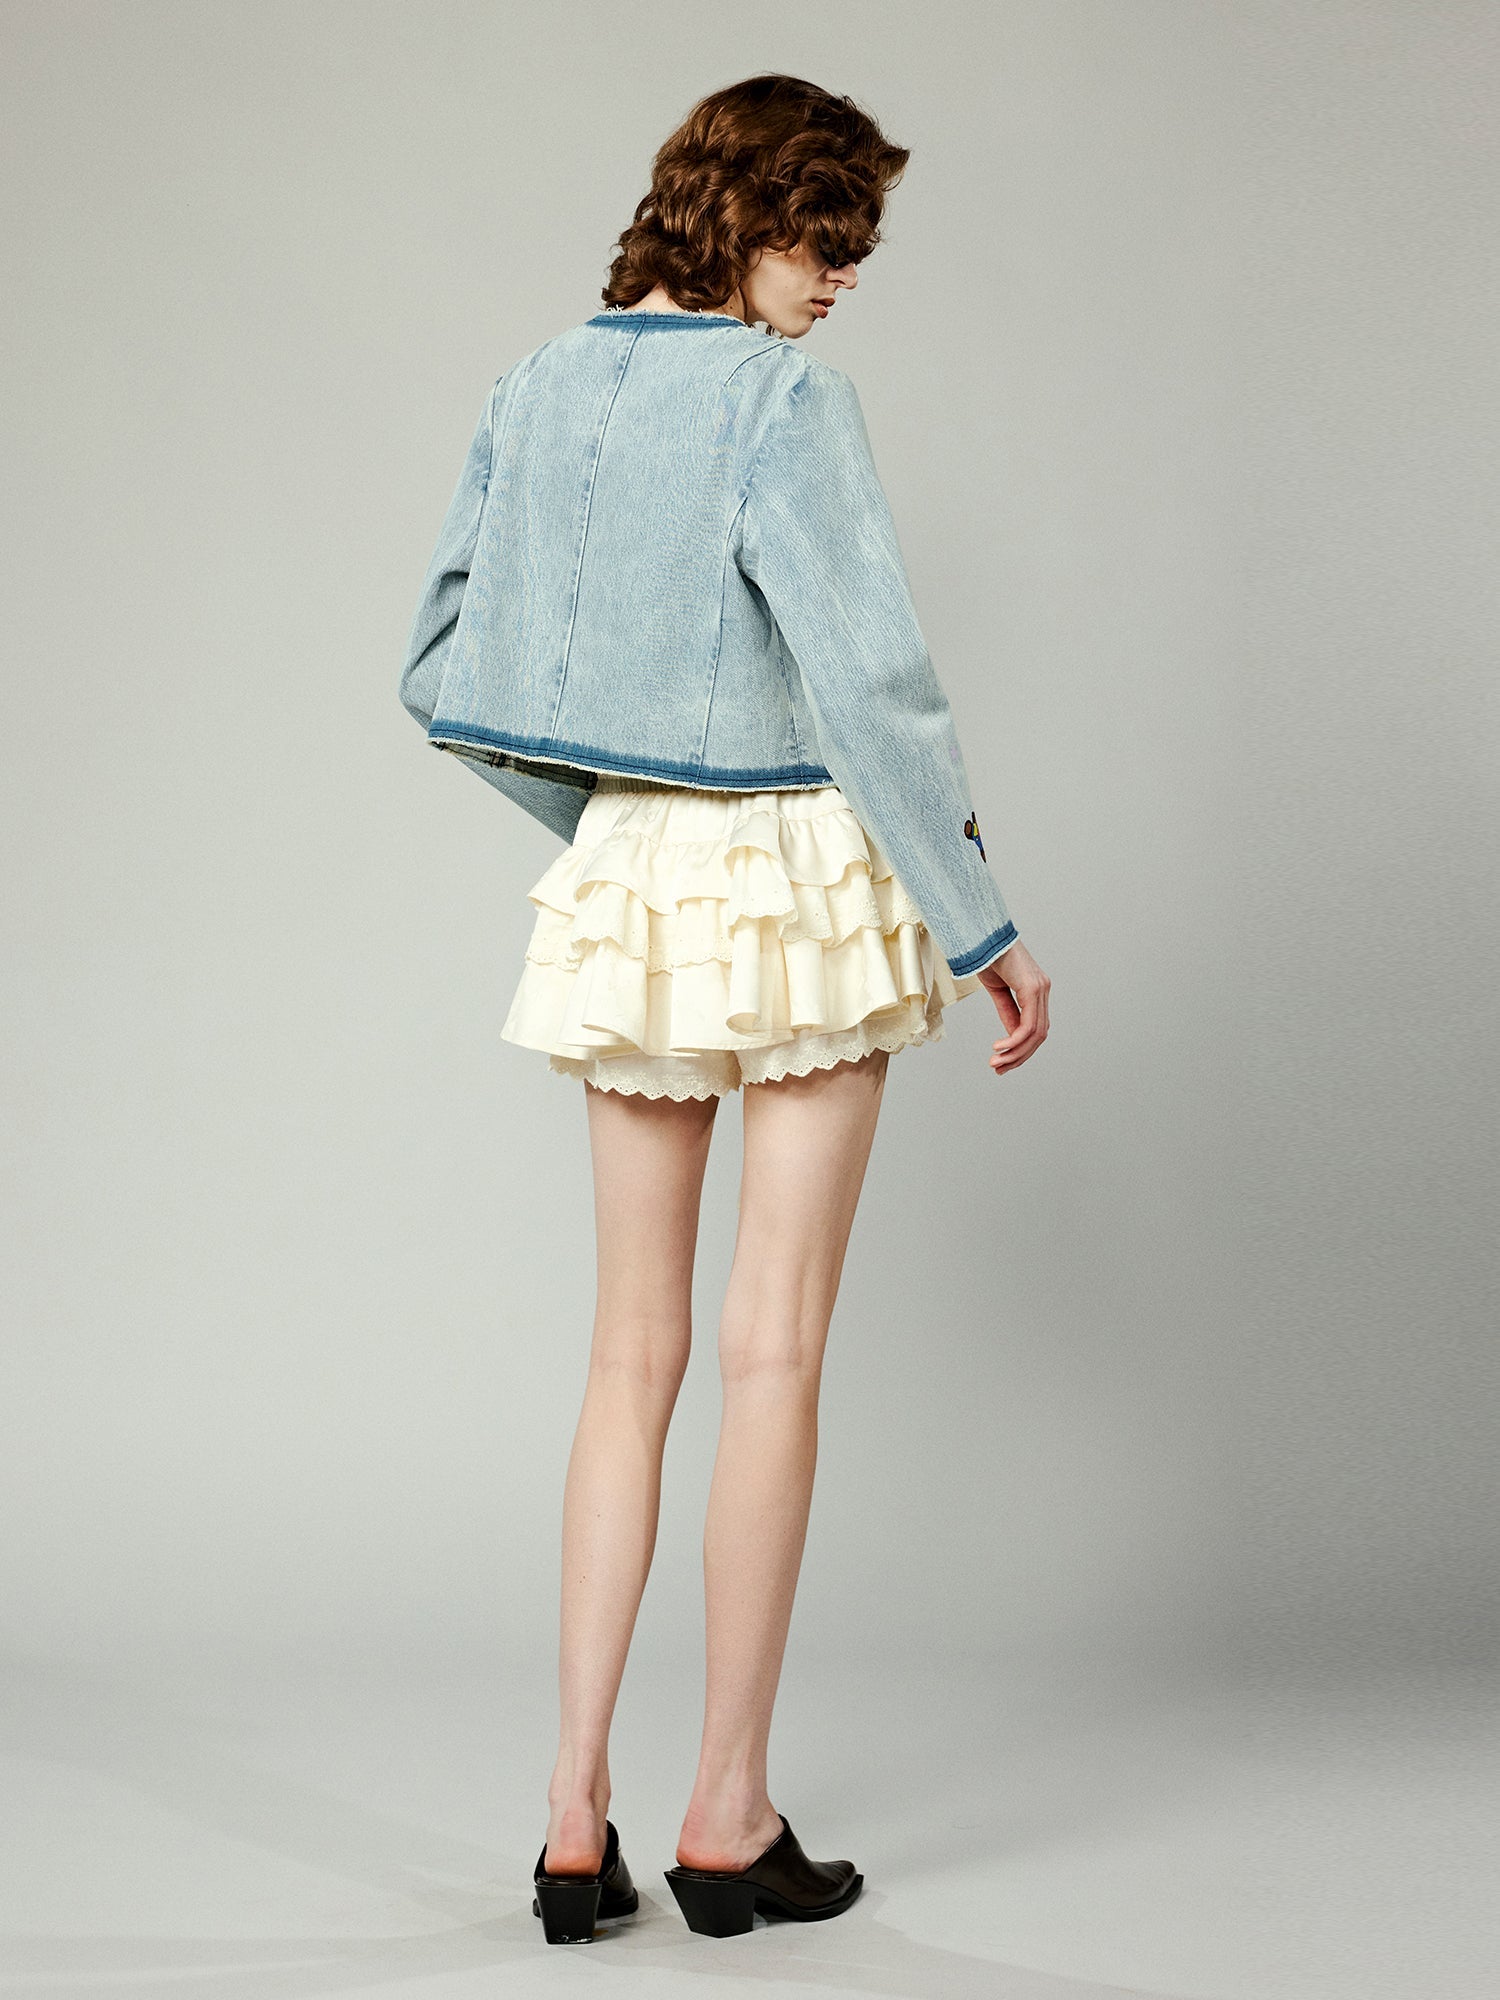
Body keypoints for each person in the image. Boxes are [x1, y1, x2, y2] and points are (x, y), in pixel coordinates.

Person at [399, 72, 1051, 1943]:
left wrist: (612, 822)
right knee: (772, 1349)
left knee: (629, 1353)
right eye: (824, 236)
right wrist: (983, 921)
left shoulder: (535, 384)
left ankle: (568, 1816)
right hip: (803, 880)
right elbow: (871, 682)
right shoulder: (785, 402)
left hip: (636, 883)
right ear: (746, 212)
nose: (842, 278)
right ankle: (725, 1814)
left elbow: (439, 662)